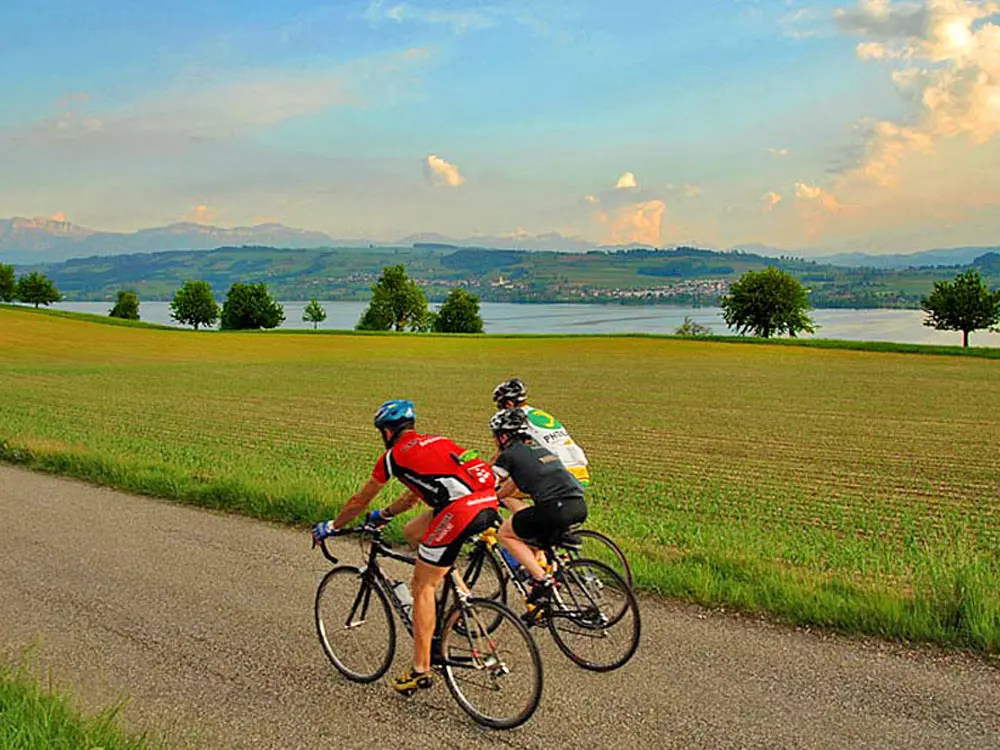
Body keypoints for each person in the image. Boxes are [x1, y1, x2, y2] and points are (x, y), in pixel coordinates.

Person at [312, 399, 500, 696]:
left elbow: (360, 500)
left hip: (460, 511)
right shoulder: (433, 442)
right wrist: (385, 515)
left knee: (422, 585)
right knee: (414, 532)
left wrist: (333, 526)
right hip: (487, 502)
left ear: (386, 433)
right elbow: (413, 498)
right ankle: (462, 597)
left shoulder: (393, 457)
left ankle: (420, 669)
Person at [489, 407, 588, 616]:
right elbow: (512, 484)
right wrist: (497, 497)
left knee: (505, 533)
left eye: (495, 436)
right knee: (531, 535)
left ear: (504, 436)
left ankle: (543, 581)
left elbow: (491, 480)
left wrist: (479, 495)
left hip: (554, 509)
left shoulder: (509, 455)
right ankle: (544, 585)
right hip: (578, 505)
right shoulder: (540, 450)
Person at [491, 378, 591, 488]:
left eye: (500, 406)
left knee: (504, 494)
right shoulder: (538, 413)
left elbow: (504, 451)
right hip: (580, 470)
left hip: (559, 472)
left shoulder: (514, 419)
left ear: (509, 404)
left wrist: (487, 470)